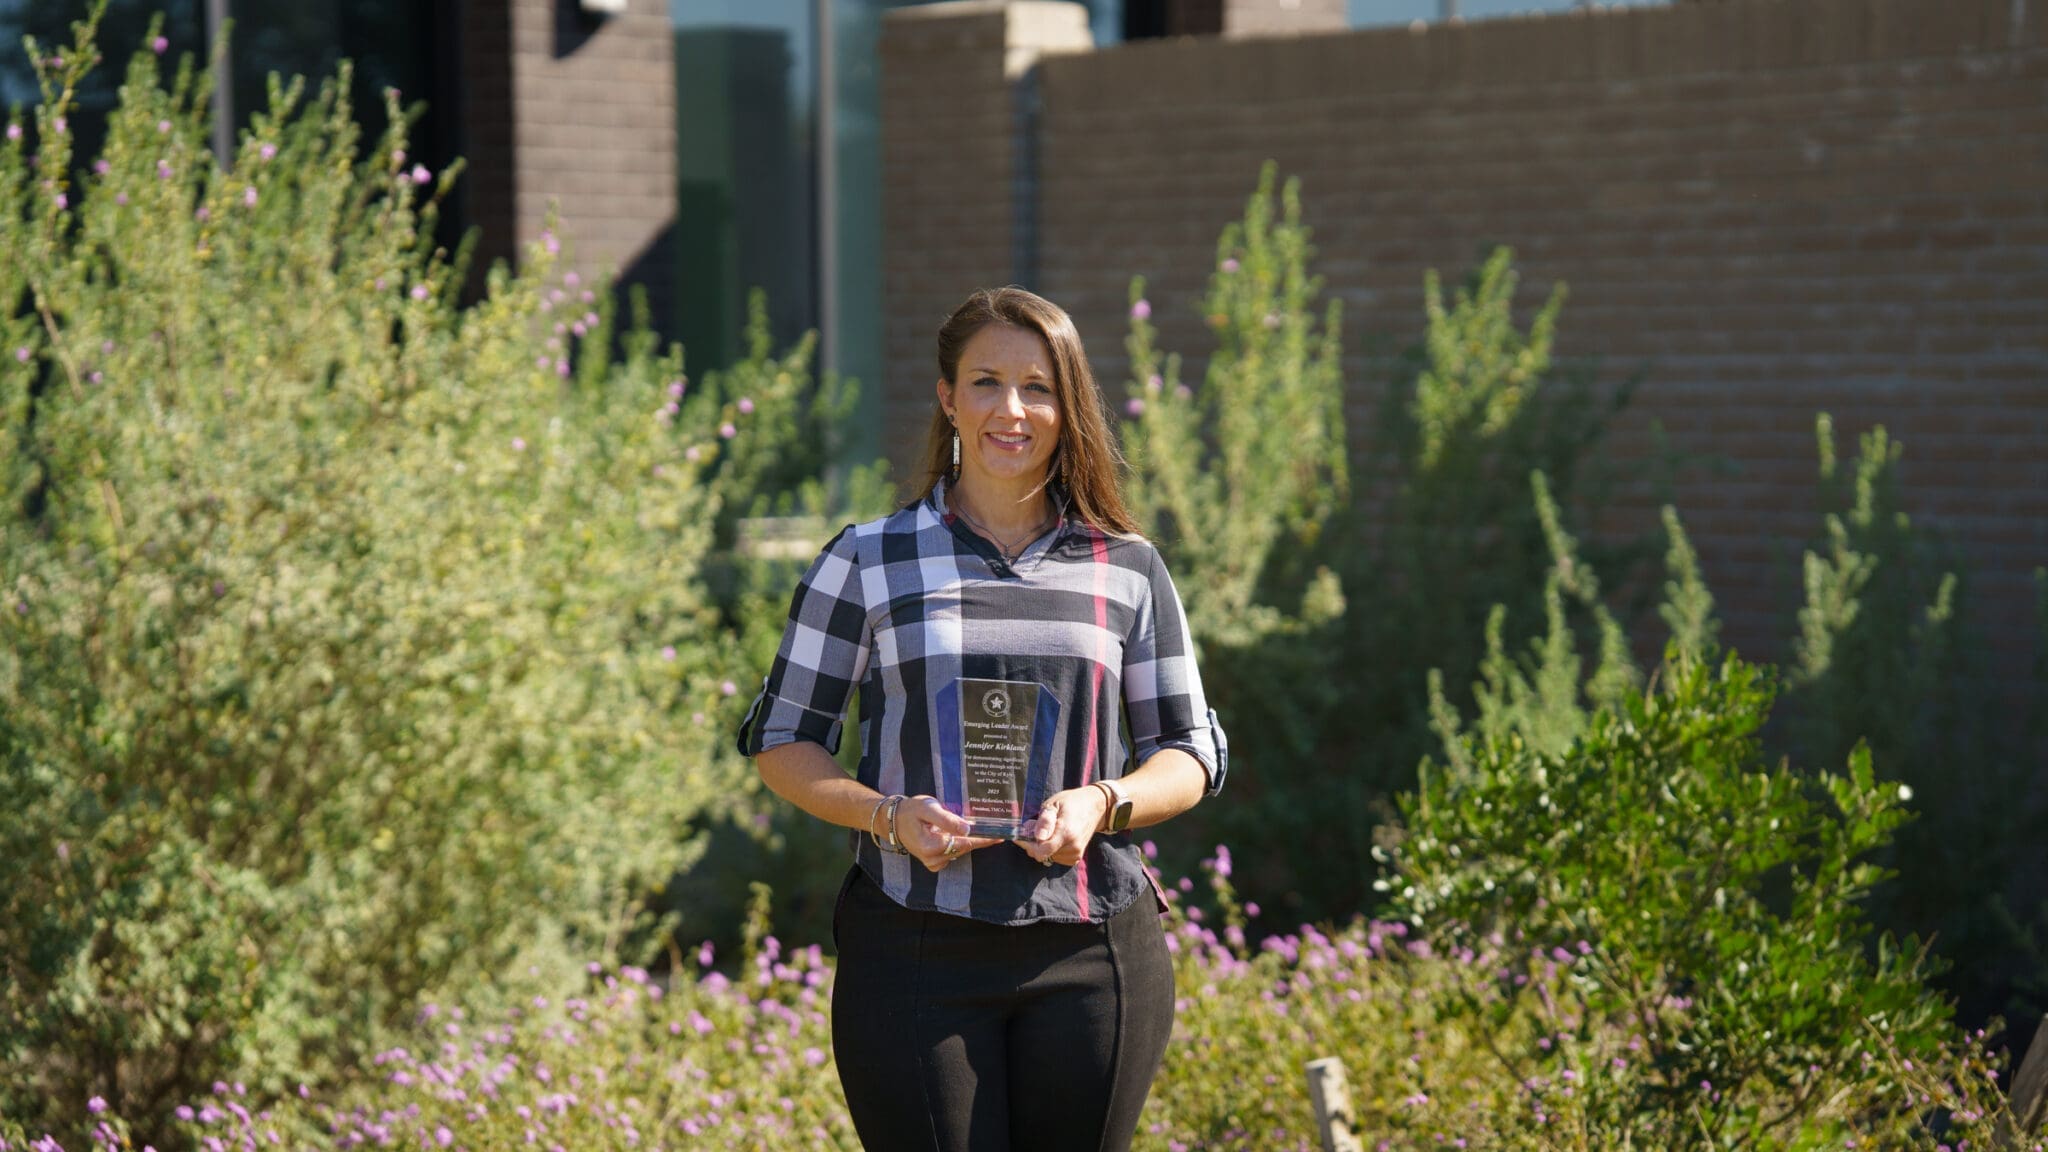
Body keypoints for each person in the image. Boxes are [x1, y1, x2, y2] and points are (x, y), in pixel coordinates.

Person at [736, 285, 1227, 1152]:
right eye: (987, 382)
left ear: (1067, 406)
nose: (1013, 409)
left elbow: (1188, 752)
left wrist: (1101, 804)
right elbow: (783, 739)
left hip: (1091, 950)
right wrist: (887, 816)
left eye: (1039, 388)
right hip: (913, 949)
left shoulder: (1129, 568)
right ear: (947, 398)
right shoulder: (866, 558)